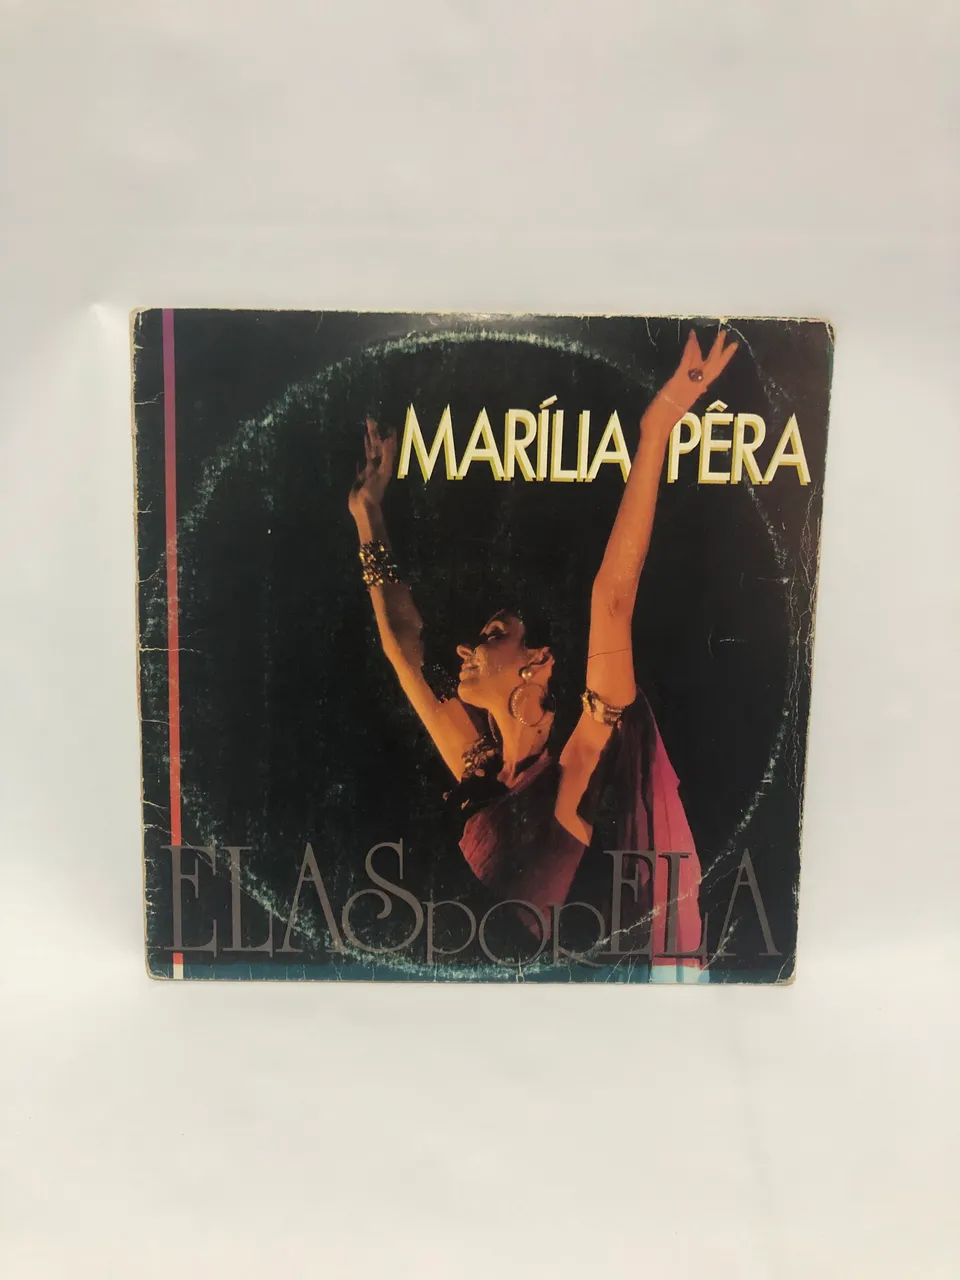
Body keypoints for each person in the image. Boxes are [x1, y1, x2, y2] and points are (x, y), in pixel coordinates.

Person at [347, 328, 738, 980]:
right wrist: (368, 513)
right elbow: (402, 646)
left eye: (493, 632)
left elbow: (612, 599)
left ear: (539, 661)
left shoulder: (577, 765)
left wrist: (656, 429)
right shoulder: (481, 769)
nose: (465, 646)